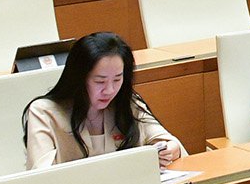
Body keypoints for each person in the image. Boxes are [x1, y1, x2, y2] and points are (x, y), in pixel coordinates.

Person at [22, 31, 186, 168]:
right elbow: (41, 176)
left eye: (117, 80)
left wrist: (170, 149)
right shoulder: (43, 113)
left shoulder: (127, 103)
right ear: (79, 78)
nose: (109, 90)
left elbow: (167, 141)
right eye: (99, 81)